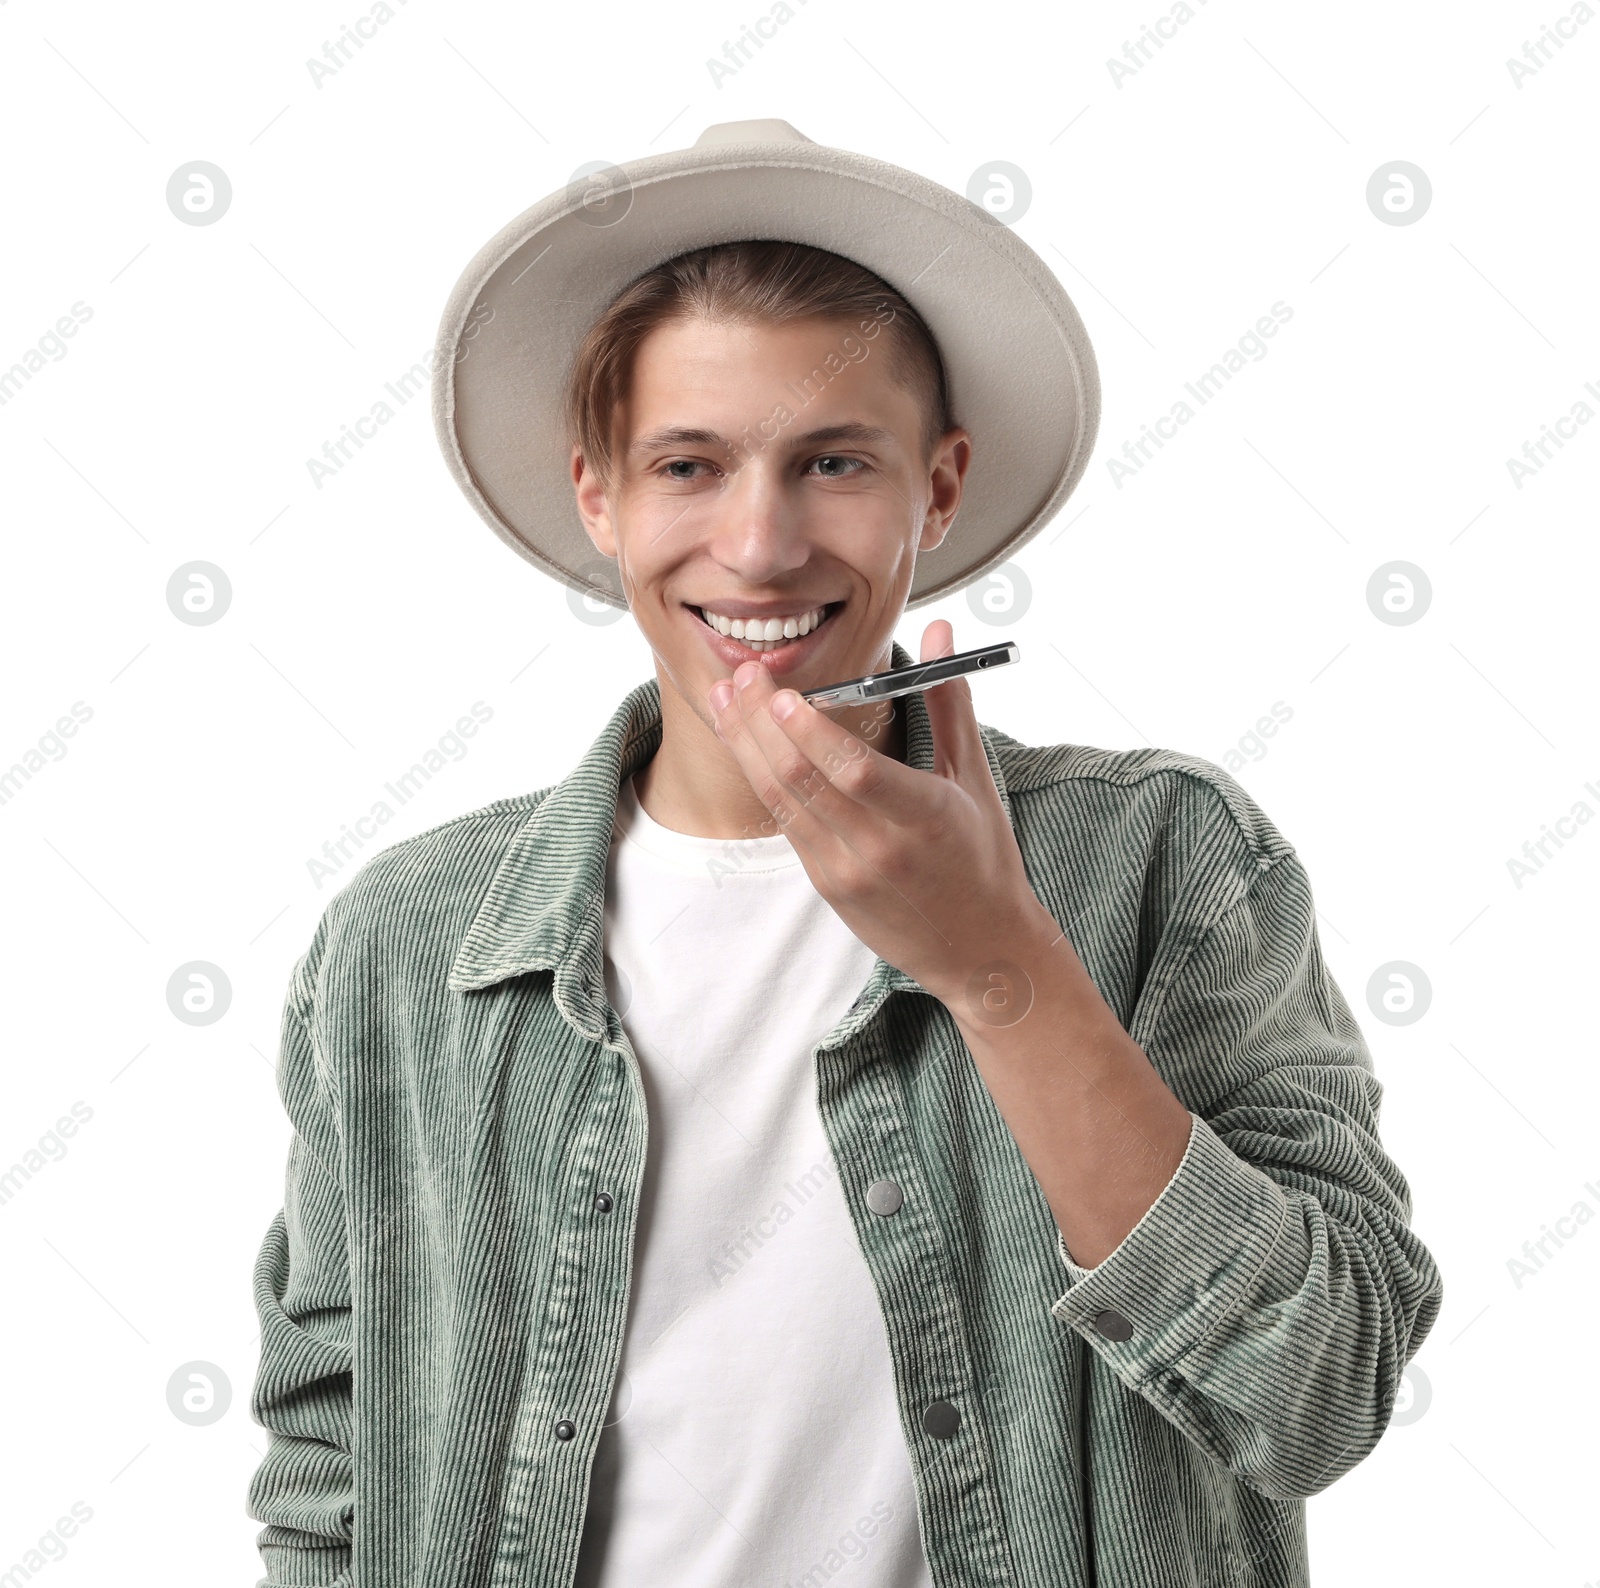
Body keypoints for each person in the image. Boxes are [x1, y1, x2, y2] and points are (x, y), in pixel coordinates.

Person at [247, 119, 1442, 1588]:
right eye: (689, 465)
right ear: (599, 496)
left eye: (832, 463)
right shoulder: (407, 940)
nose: (757, 547)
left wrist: (998, 966)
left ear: (936, 492)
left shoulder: (1165, 864)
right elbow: (328, 1469)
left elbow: (1320, 1391)